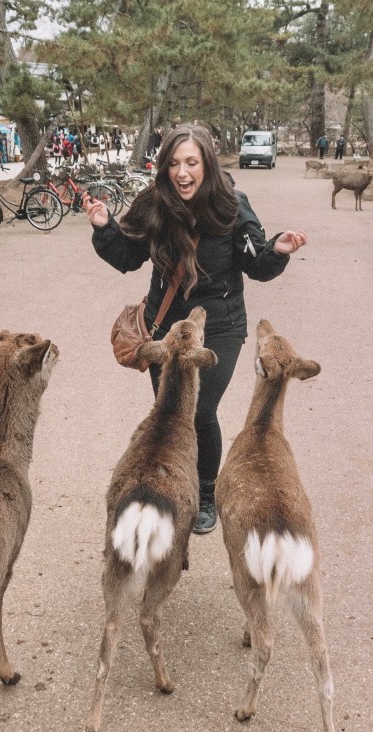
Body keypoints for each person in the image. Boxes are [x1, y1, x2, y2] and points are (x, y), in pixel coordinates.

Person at [82, 123, 307, 534]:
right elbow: (128, 256)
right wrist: (104, 227)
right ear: (164, 165)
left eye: (191, 162)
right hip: (166, 327)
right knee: (171, 413)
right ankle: (174, 488)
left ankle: (205, 494)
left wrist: (277, 249)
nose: (182, 172)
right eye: (174, 163)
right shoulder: (154, 203)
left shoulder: (232, 206)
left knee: (199, 410)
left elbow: (255, 263)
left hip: (220, 324)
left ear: (207, 163)